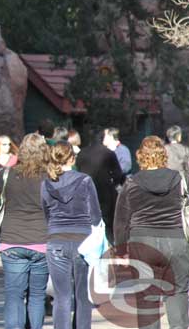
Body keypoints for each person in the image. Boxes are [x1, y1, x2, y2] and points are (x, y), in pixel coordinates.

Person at [114, 136, 189, 329]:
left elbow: (121, 220)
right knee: (178, 292)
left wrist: (121, 250)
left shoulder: (131, 183)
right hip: (175, 240)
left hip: (142, 243)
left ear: (141, 156)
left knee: (147, 297)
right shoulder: (178, 180)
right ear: (163, 156)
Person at [0, 133, 49, 329]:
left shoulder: (8, 173)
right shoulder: (50, 176)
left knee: (14, 296)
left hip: (12, 242)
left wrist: (6, 200)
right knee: (37, 296)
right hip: (42, 242)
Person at [41, 141, 102, 329]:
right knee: (83, 296)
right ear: (72, 158)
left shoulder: (46, 183)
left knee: (61, 296)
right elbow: (96, 215)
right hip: (82, 242)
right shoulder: (85, 180)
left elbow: (45, 213)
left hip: (56, 241)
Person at [76, 130, 124, 244]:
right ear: (102, 138)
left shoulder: (82, 153)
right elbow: (118, 174)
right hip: (105, 191)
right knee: (107, 221)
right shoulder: (108, 153)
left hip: (85, 192)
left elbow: (77, 170)